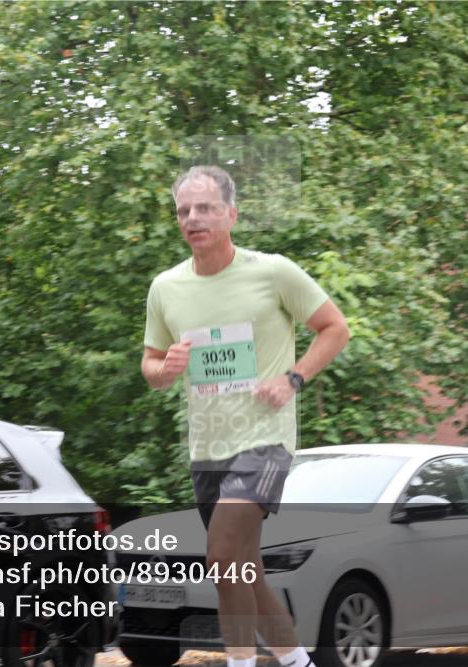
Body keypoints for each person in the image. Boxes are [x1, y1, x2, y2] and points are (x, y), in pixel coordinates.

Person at [141, 165, 349, 667]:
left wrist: (293, 377)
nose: (193, 218)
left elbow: (335, 328)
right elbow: (151, 366)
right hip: (207, 446)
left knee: (221, 557)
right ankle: (297, 661)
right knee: (243, 570)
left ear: (231, 215)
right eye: (184, 211)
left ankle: (240, 662)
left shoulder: (273, 272)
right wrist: (165, 368)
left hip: (265, 441)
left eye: (205, 208)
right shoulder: (165, 288)